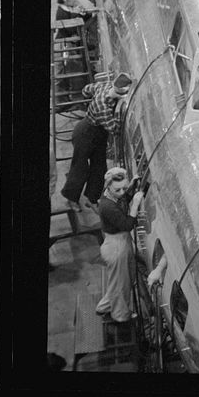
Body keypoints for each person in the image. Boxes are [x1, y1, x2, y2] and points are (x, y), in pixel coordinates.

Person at [61, 72, 132, 212]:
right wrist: (118, 111)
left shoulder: (105, 85)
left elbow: (86, 89)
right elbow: (115, 129)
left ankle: (91, 199)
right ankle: (71, 198)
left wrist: (89, 96)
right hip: (85, 133)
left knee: (99, 168)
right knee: (80, 167)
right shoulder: (102, 107)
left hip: (98, 134)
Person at [95, 167, 144, 323]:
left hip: (121, 241)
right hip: (116, 246)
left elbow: (124, 198)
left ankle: (105, 306)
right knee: (121, 284)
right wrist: (135, 205)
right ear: (108, 186)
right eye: (118, 189)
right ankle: (120, 316)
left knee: (121, 280)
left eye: (124, 187)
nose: (122, 192)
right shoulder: (107, 206)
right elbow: (127, 224)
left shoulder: (114, 195)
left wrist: (132, 186)